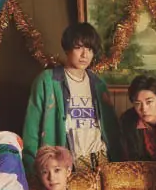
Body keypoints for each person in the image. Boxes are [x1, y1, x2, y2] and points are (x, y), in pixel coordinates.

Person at [22, 22, 121, 173]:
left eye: (89, 49)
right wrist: (31, 170)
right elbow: (32, 129)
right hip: (65, 163)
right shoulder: (48, 81)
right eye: (79, 47)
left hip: (101, 160)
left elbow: (111, 128)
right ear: (67, 49)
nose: (85, 55)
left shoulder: (98, 84)